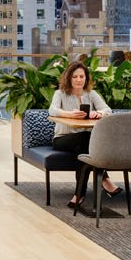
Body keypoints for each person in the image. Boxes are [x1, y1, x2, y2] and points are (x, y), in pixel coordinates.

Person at [49, 62, 119, 208]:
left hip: (84, 141)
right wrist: (70, 114)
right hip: (62, 139)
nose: (79, 80)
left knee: (85, 144)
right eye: (75, 77)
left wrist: (98, 113)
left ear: (86, 78)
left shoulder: (91, 94)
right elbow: (52, 111)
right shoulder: (60, 94)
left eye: (82, 76)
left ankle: (79, 195)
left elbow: (108, 110)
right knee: (87, 140)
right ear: (69, 78)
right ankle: (104, 179)